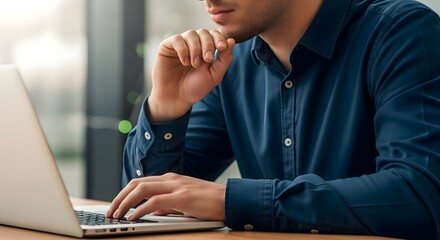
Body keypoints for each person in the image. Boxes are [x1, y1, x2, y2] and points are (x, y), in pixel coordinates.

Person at [106, 0, 440, 238]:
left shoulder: (400, 32)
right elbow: (147, 203)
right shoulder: (228, 64)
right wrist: (168, 104)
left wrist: (229, 201)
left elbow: (419, 196)